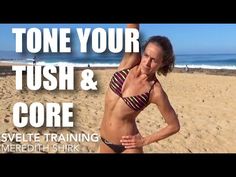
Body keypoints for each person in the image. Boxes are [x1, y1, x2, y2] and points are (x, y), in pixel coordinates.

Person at [99, 24, 180, 153]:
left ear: (162, 63)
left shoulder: (155, 91)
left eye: (153, 60)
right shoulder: (129, 61)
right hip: (105, 142)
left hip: (129, 148)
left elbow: (174, 126)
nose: (147, 63)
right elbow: (132, 28)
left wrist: (144, 141)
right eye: (146, 55)